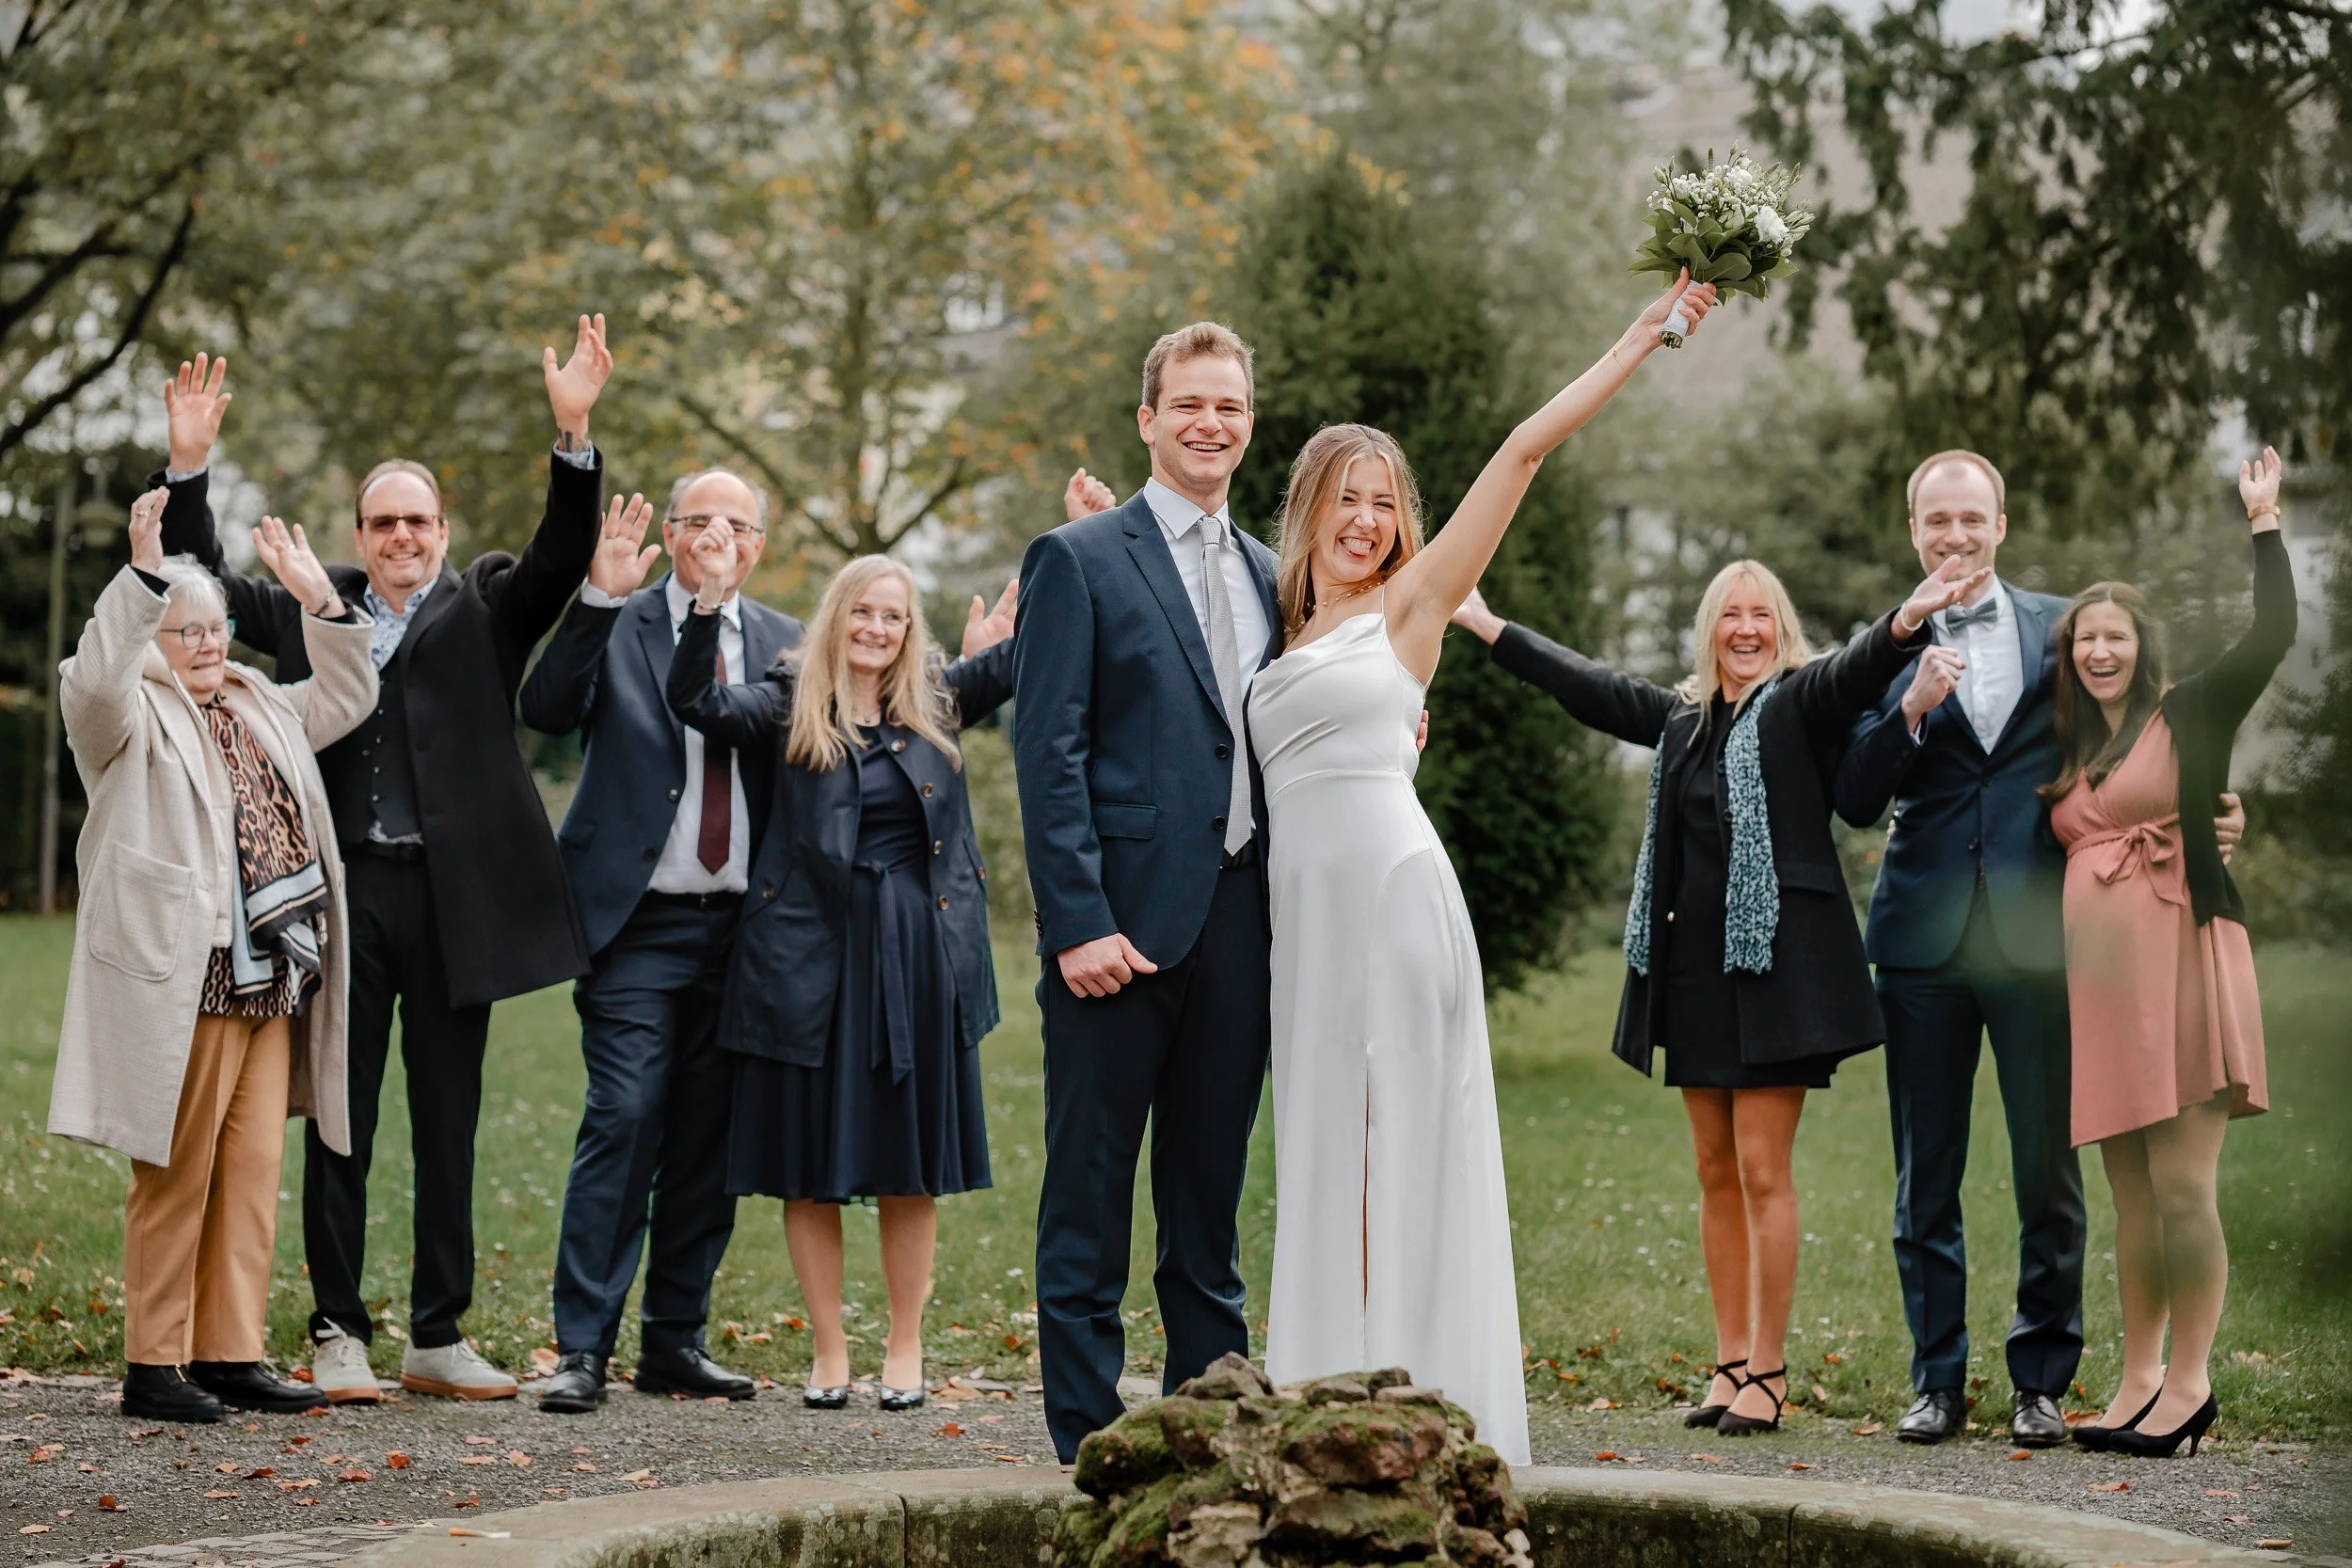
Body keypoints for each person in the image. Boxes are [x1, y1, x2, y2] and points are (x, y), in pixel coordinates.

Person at [1247, 273, 1742, 1468]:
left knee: (1400, 1144)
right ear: (1308, 507)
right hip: (1303, 930)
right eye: (1344, 499)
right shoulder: (1270, 629)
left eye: (1383, 501)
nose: (1365, 520)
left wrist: (1637, 336)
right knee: (1328, 1152)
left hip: (1394, 905)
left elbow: (1520, 453)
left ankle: (1421, 1410)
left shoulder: (1409, 607)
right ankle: (1328, 1404)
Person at [151, 327, 614, 1402]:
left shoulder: (489, 604)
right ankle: (337, 1327)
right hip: (347, 902)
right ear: (360, 532)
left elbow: (561, 547)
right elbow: (200, 579)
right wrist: (188, 468)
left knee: (449, 1121)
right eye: (383, 521)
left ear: (443, 533)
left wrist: (574, 429)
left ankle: (439, 1333)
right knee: (341, 1118)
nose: (401, 535)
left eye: (418, 520)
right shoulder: (316, 603)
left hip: (459, 909)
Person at [1451, 548, 1976, 1438]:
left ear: (1780, 628)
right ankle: (1729, 1360)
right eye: (1730, 615)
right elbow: (1594, 688)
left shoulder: (1801, 702)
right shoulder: (1683, 721)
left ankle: (1768, 1370)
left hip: (1777, 969)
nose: (1745, 629)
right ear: (1709, 630)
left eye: (1760, 614)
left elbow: (1856, 668)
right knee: (1714, 1170)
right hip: (1693, 974)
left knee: (1765, 1169)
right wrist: (1486, 626)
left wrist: (1905, 620)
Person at [1834, 449, 2246, 1447]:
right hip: (1921, 940)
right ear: (1914, 529)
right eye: (1937, 521)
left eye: (1972, 518)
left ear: (2000, 524)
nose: (1955, 536)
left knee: (2046, 1171)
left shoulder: (2066, 630)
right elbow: (1851, 794)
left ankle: (2041, 1377)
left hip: (2045, 934)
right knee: (1921, 1174)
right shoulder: (1880, 646)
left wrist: (2211, 813)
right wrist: (1909, 706)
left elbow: (2147, 721)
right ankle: (1935, 1380)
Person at [1013, 321, 1286, 1463]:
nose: (1208, 424)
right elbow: (1048, 751)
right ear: (1148, 418)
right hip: (1115, 930)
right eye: (1188, 405)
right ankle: (1087, 1437)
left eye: (1226, 405)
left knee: (1207, 1197)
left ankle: (1202, 1418)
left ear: (1247, 420)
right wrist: (1078, 922)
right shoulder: (1077, 557)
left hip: (1240, 918)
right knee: (1089, 1191)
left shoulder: (1278, 571)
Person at [667, 538, 1017, 1411]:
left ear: (910, 630)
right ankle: (829, 1351)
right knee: (806, 1162)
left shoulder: (938, 696)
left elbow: (1027, 658)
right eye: (862, 610)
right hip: (806, 962)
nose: (877, 627)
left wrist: (1083, 537)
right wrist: (708, 604)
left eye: (893, 615)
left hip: (917, 956)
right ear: (837, 618)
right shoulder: (791, 703)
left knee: (910, 1163)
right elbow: (697, 700)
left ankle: (904, 1346)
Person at [51, 490, 374, 1422]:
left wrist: (318, 602)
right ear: (154, 634)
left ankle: (229, 1349)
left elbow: (350, 693)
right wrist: (146, 572)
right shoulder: (124, 711)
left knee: (249, 1170)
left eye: (217, 626)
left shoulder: (259, 698)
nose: (205, 643)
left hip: (272, 975)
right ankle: (154, 1362)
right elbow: (98, 680)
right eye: (184, 629)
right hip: (184, 977)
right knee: (176, 1171)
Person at [517, 469, 803, 1413]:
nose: (719, 535)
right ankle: (581, 1346)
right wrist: (594, 596)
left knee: (708, 1140)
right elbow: (547, 707)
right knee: (626, 1113)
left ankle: (674, 1339)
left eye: (738, 523)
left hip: (742, 932)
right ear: (670, 535)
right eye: (700, 520)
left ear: (757, 543)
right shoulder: (625, 621)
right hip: (634, 923)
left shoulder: (785, 643)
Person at [2046, 449, 2296, 1458]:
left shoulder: (2189, 710)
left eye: (2113, 636)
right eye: (2082, 639)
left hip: (2187, 963)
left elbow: (2271, 634)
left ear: (2140, 646)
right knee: (2130, 1195)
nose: (2097, 651)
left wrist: (2264, 520)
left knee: (2185, 1185)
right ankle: (2136, 1377)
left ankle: (2189, 1384)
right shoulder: (2064, 749)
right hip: (2106, 994)